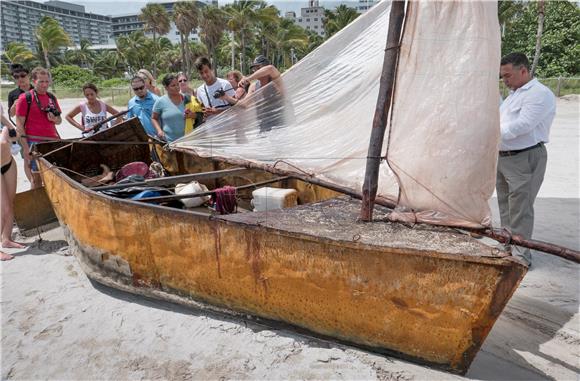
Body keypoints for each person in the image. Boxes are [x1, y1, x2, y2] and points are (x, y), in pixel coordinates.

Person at [497, 52, 556, 266]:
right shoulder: (515, 94)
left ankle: (521, 256)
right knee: (505, 205)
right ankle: (507, 245)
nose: (505, 80)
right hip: (504, 157)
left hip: (525, 156)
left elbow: (523, 125)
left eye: (508, 76)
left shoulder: (539, 94)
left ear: (523, 71)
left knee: (520, 209)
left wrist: (491, 131)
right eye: (502, 76)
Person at [15, 67, 62, 189]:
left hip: (53, 141)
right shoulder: (25, 98)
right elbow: (19, 125)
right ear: (34, 81)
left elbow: (59, 120)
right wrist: (26, 149)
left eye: (47, 81)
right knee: (36, 179)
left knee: (56, 177)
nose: (44, 85)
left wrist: (54, 119)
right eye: (41, 81)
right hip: (34, 143)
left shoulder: (52, 97)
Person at [1, 104, 25, 260]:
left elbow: (17, 135)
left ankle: (7, 239)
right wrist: (4, 135)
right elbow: (3, 142)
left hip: (8, 163)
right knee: (4, 209)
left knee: (11, 203)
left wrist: (10, 129)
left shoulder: (2, 119)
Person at [239, 55, 285, 132]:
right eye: (254, 69)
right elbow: (245, 104)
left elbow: (270, 68)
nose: (255, 71)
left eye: (258, 68)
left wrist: (248, 78)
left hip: (282, 125)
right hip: (264, 126)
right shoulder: (254, 86)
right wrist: (226, 97)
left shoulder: (276, 81)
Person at [7, 64, 34, 184]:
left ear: (28, 76)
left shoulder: (36, 90)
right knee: (27, 159)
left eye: (23, 75)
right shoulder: (13, 94)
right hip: (22, 131)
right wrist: (14, 105)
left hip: (38, 130)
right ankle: (33, 182)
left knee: (43, 158)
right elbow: (10, 114)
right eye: (16, 77)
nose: (20, 79)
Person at [152, 74, 195, 142]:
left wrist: (192, 115)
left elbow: (199, 115)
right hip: (170, 142)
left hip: (188, 140)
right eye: (173, 85)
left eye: (177, 84)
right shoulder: (160, 102)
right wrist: (159, 131)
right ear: (166, 87)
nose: (177, 87)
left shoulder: (187, 99)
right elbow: (154, 118)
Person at [194, 57, 236, 121]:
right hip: (210, 129)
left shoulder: (225, 84)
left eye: (206, 71)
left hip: (228, 128)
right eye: (201, 73)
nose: (204, 75)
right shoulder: (199, 91)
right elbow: (202, 112)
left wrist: (217, 111)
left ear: (211, 69)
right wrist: (204, 113)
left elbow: (236, 108)